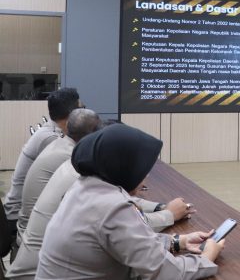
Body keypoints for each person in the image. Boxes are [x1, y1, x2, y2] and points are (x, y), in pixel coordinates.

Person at [9, 119, 194, 280]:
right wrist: (204, 256)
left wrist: (175, 240)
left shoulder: (85, 181)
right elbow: (165, 271)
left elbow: (127, 239)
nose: (145, 178)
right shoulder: (108, 203)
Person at [3, 88, 81, 250]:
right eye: (82, 109)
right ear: (73, 114)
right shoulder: (51, 139)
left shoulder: (51, 131)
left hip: (23, 212)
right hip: (20, 218)